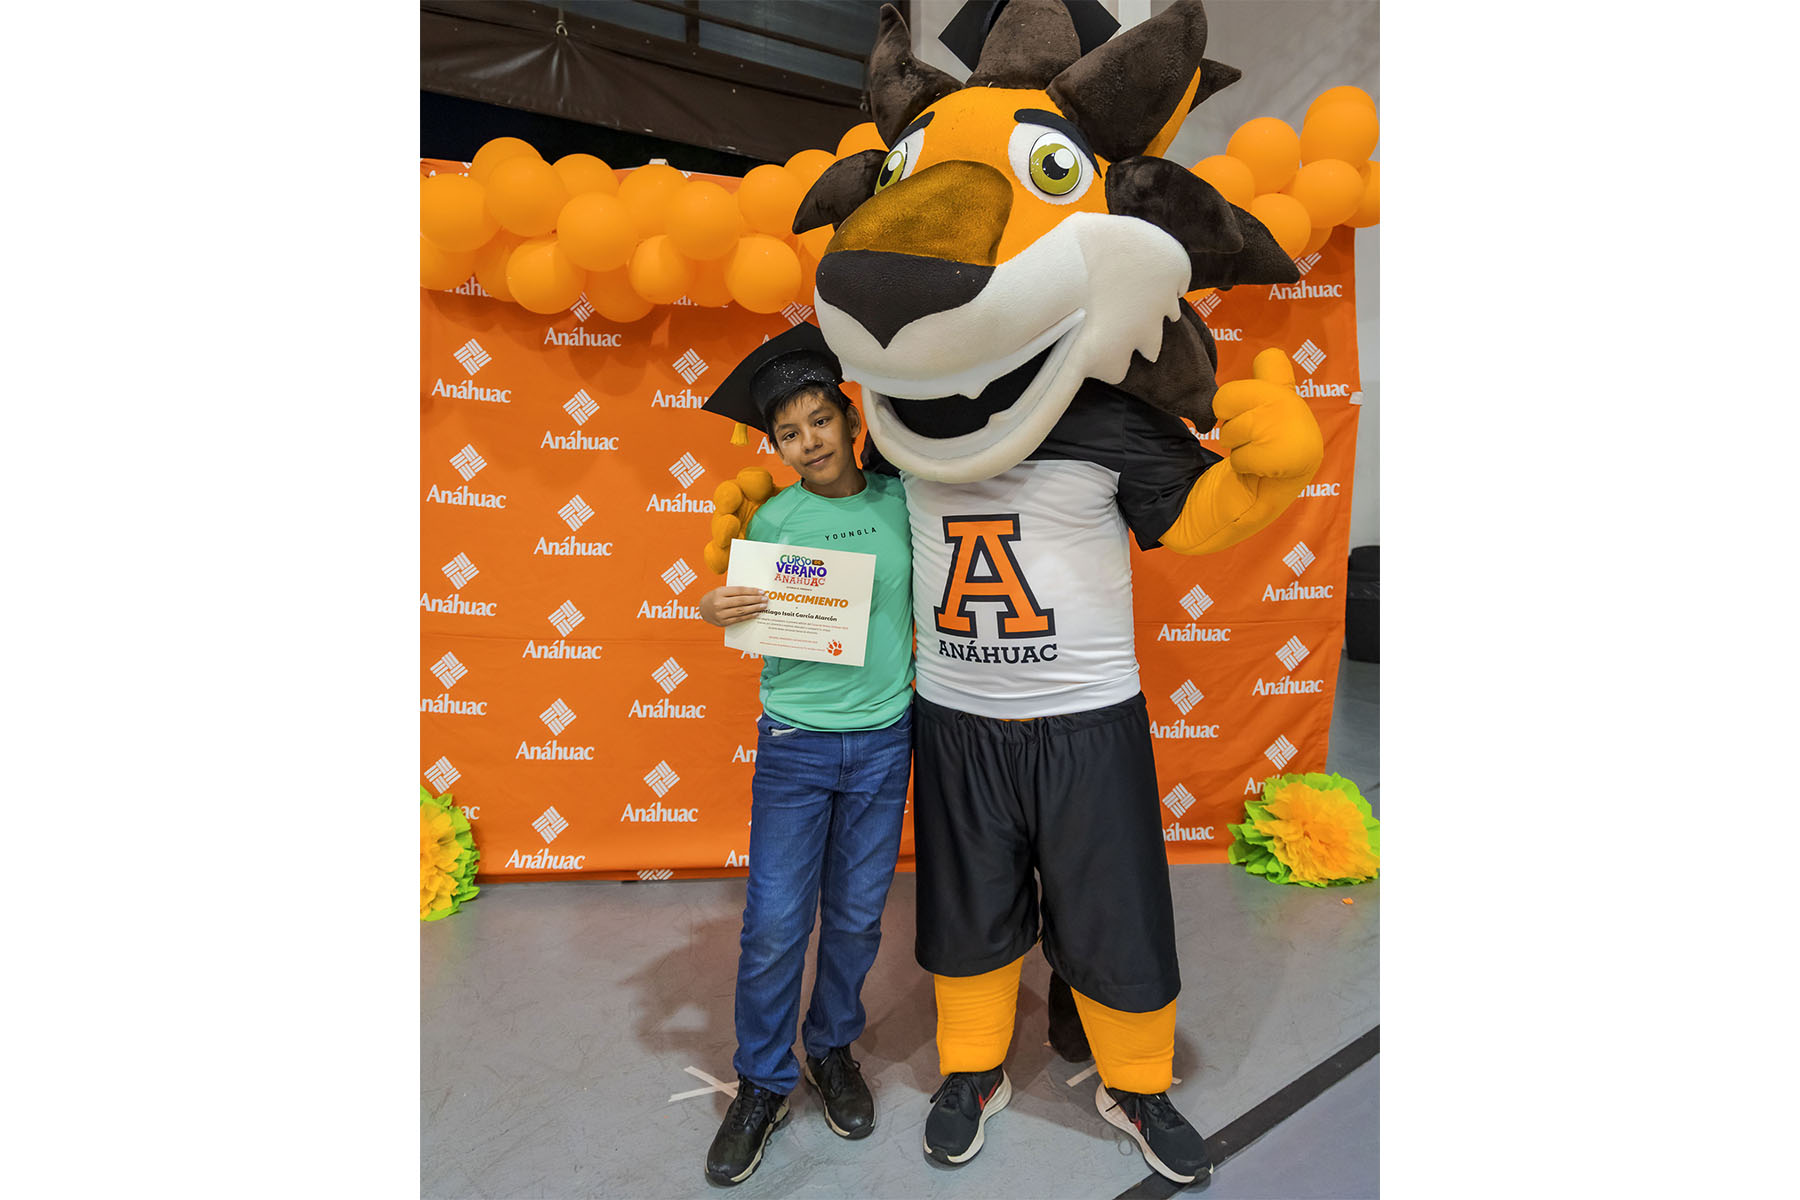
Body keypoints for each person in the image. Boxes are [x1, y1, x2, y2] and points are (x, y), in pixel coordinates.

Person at [694, 324, 915, 1187]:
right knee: (777, 924)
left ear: (850, 419)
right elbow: (751, 613)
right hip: (795, 745)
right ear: (776, 448)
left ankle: (830, 1049)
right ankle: (761, 1081)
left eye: (821, 420)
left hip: (885, 741)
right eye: (789, 433)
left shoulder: (904, 501)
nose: (809, 442)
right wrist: (717, 608)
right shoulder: (776, 519)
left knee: (857, 918)